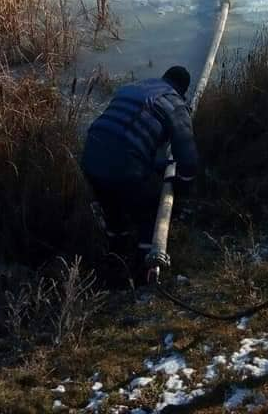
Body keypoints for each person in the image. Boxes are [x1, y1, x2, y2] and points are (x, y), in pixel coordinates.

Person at [81, 66, 201, 286]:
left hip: (91, 156)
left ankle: (115, 256)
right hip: (125, 165)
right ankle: (143, 271)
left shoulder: (132, 88)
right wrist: (184, 184)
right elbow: (187, 154)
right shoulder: (174, 102)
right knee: (149, 210)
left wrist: (157, 165)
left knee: (113, 210)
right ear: (182, 90)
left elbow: (126, 133)